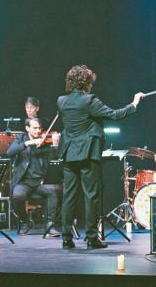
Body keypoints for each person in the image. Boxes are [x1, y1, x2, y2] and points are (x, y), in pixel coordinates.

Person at [57, 65, 145, 249]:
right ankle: (91, 238)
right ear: (86, 83)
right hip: (87, 154)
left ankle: (66, 238)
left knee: (69, 196)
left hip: (69, 154)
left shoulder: (61, 101)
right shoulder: (90, 100)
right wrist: (134, 104)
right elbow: (114, 115)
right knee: (91, 196)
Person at [6, 117, 62, 237]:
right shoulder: (21, 139)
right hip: (24, 182)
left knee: (52, 192)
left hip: (40, 182)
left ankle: (50, 225)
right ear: (27, 128)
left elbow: (54, 160)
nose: (38, 131)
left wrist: (55, 145)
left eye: (40, 128)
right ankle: (24, 221)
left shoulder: (45, 141)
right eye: (35, 128)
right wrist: (28, 143)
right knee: (17, 196)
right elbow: (9, 152)